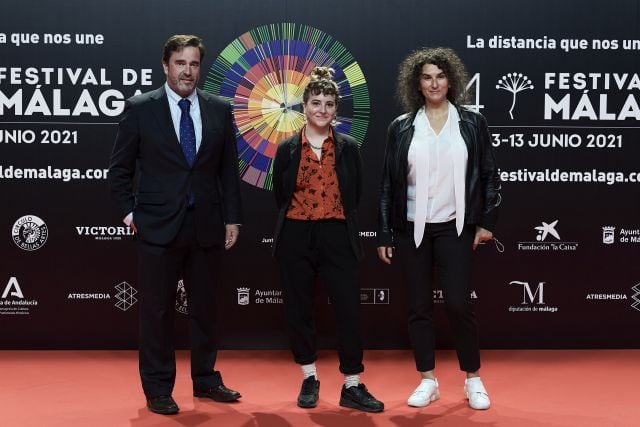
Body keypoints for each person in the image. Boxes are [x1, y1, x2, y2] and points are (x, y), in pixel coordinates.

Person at [108, 35, 243, 415]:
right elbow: (119, 171)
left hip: (206, 224)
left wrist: (232, 217)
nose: (188, 71)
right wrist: (132, 215)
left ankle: (205, 379)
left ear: (201, 68)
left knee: (206, 307)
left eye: (194, 64)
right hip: (157, 227)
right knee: (156, 311)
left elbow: (227, 172)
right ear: (166, 66)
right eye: (180, 63)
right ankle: (157, 387)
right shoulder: (139, 109)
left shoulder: (219, 108)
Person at [377, 47, 501, 410]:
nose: (434, 83)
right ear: (417, 83)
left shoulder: (472, 123)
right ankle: (427, 380)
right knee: (418, 307)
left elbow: (490, 175)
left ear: (451, 81)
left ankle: (473, 379)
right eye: (427, 77)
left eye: (441, 76)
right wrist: (384, 232)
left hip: (456, 227)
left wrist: (486, 223)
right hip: (410, 228)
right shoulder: (401, 127)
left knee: (459, 304)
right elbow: (388, 184)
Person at [272, 67, 384, 413]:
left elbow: (355, 195)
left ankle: (352, 384)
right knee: (299, 308)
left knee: (349, 309)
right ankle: (309, 377)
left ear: (336, 109)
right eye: (316, 102)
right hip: (295, 233)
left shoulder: (348, 148)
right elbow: (280, 195)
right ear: (303, 106)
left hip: (338, 233)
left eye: (329, 103)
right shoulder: (288, 148)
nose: (322, 109)